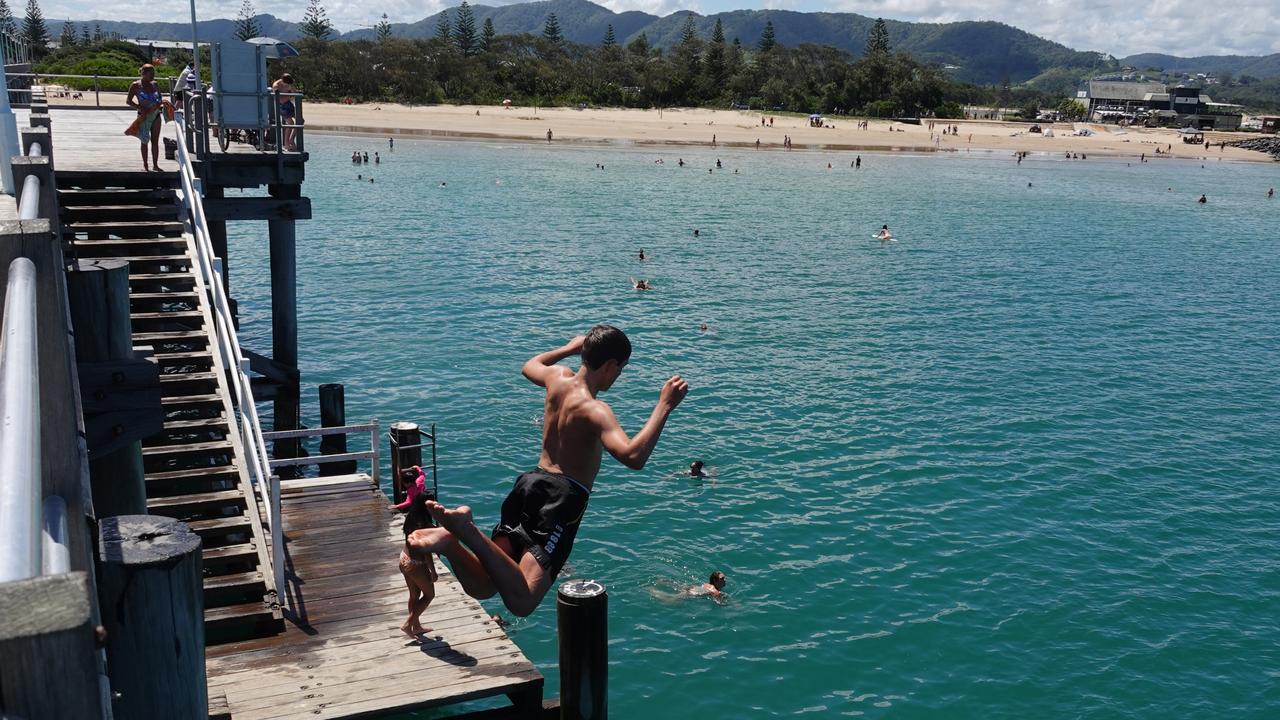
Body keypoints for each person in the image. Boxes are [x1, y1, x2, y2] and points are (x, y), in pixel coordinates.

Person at [409, 326, 689, 617]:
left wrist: (569, 348)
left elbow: (529, 366)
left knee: (484, 586)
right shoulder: (595, 409)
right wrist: (664, 405)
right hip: (561, 499)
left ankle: (449, 542)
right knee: (523, 600)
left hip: (529, 483)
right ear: (609, 365)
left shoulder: (557, 378)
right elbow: (633, 456)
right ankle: (466, 531)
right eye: (621, 368)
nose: (619, 375)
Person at [398, 491, 438, 637]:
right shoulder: (425, 525)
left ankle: (416, 627)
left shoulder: (411, 517)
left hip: (404, 558)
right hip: (416, 563)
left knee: (414, 595)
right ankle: (408, 624)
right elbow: (426, 551)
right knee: (429, 595)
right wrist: (432, 571)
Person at [124, 64, 168, 172]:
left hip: (156, 115)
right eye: (150, 74)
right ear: (143, 73)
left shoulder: (155, 84)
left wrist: (160, 104)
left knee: (155, 141)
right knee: (144, 140)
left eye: (154, 73)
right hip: (143, 116)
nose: (153, 76)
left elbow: (159, 98)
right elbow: (128, 101)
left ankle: (155, 165)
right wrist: (140, 107)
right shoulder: (136, 85)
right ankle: (145, 165)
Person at [271, 73, 298, 151]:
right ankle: (286, 143)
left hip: (289, 104)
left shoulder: (288, 84)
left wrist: (291, 93)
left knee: (300, 121)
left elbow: (292, 93)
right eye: (287, 83)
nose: (287, 85)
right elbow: (279, 98)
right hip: (282, 106)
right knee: (291, 123)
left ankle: (291, 139)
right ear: (283, 80)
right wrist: (287, 95)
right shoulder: (276, 85)